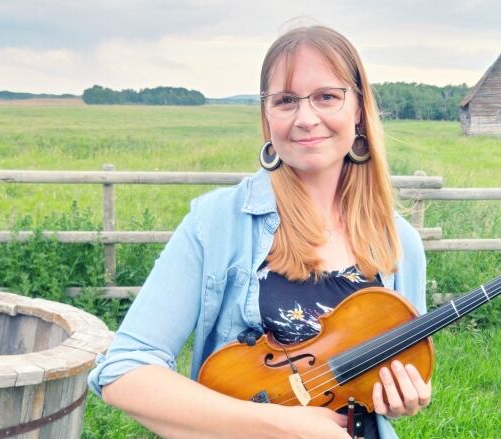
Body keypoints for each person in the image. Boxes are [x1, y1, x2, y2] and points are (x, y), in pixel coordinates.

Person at [88, 25, 431, 439]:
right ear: (267, 117)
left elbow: (386, 387)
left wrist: (401, 397)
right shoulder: (215, 222)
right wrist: (280, 425)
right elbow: (124, 370)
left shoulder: (400, 243)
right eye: (286, 101)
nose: (306, 119)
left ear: (358, 108)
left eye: (327, 96)